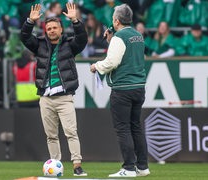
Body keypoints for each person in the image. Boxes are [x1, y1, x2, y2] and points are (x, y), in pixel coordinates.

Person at [20, 3, 88, 176]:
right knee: (51, 136)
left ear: (61, 30)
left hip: (64, 97)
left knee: (71, 132)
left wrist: (75, 20)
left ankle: (77, 165)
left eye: (54, 28)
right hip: (46, 97)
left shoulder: (70, 45)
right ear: (45, 30)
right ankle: (56, 165)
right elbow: (24, 37)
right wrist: (29, 21)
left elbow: (82, 38)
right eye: (48, 28)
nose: (51, 30)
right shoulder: (39, 45)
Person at [90, 4, 150, 178]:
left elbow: (112, 62)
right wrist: (112, 40)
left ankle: (129, 168)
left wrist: (96, 66)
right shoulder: (138, 35)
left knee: (123, 129)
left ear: (116, 20)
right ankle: (143, 167)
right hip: (139, 87)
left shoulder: (119, 37)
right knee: (136, 127)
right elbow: (128, 56)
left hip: (123, 88)